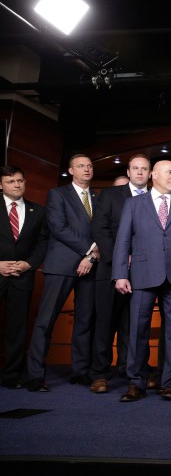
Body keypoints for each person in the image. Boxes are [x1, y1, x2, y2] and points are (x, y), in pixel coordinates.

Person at [113, 160, 171, 402]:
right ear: (154, 175)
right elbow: (122, 240)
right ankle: (136, 382)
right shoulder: (133, 204)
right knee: (137, 330)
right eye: (170, 173)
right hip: (142, 274)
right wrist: (121, 273)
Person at [24, 154, 99, 392]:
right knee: (45, 321)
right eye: (81, 166)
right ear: (70, 170)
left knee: (85, 321)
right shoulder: (58, 194)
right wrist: (88, 250)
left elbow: (103, 229)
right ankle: (35, 375)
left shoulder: (98, 197)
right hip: (61, 265)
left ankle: (80, 371)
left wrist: (91, 257)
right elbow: (59, 228)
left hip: (91, 265)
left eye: (89, 166)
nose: (86, 169)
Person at [88, 154, 150, 394]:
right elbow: (100, 229)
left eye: (144, 169)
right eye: (135, 168)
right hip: (112, 268)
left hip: (144, 271)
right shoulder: (111, 195)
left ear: (150, 173)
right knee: (105, 323)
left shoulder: (156, 199)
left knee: (133, 325)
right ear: (129, 171)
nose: (140, 173)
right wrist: (122, 258)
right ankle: (99, 373)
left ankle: (129, 369)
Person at [0, 166, 48, 389]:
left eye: (20, 180)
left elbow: (42, 243)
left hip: (22, 276)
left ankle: (11, 376)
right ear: (1, 185)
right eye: (11, 181)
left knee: (16, 329)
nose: (17, 185)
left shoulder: (37, 211)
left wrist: (29, 263)